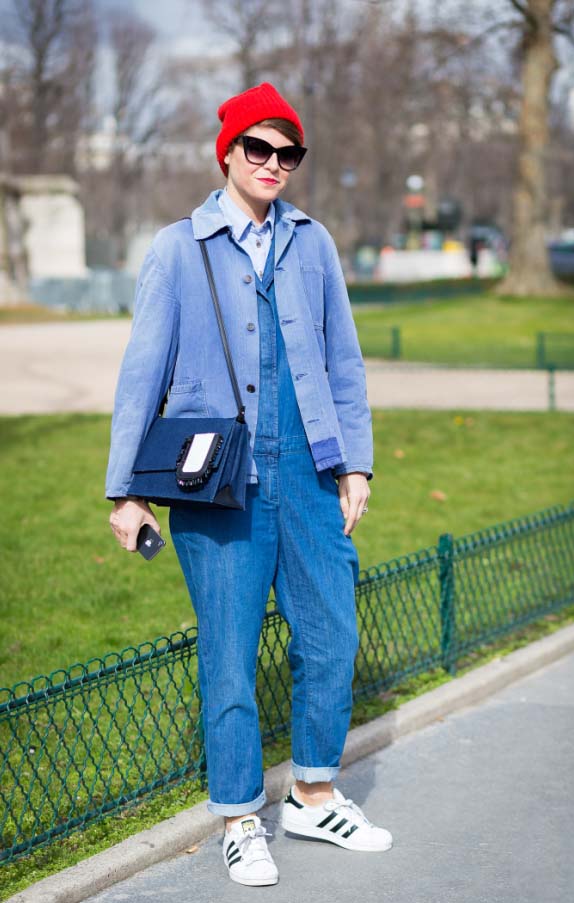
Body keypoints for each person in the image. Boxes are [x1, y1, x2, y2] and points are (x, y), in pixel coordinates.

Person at [106, 82, 392, 888]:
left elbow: (344, 361)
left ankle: (312, 791)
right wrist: (125, 491)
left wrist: (355, 462)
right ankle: (238, 815)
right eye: (258, 149)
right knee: (229, 655)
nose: (273, 164)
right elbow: (142, 375)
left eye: (287, 153)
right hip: (217, 484)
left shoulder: (314, 242)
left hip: (307, 470)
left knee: (331, 634)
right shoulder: (177, 248)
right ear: (227, 152)